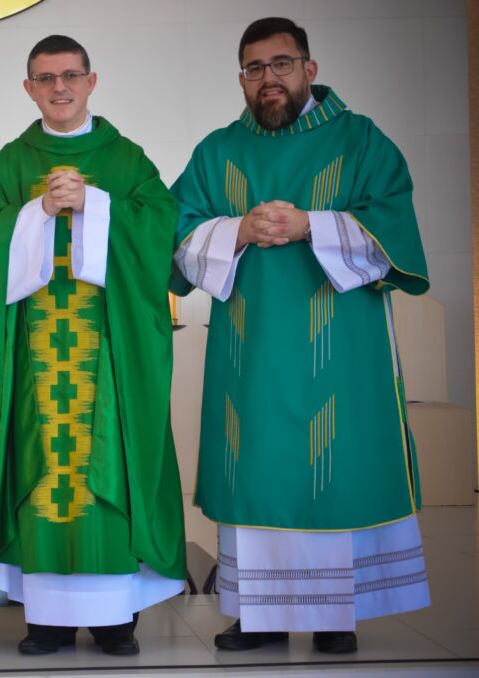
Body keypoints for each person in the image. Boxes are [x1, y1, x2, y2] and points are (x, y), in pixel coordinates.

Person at [170, 17, 431, 655]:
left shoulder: (360, 140)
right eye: (255, 68)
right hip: (250, 350)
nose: (269, 78)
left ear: (309, 69)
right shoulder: (217, 151)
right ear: (241, 78)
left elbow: (393, 222)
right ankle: (258, 615)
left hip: (340, 347)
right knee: (258, 469)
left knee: (333, 467)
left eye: (281, 64)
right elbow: (174, 232)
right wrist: (237, 230)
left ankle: (336, 615)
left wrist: (311, 225)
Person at [0, 35, 187, 657]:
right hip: (34, 354)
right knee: (41, 471)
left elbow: (160, 227)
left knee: (105, 464)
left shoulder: (126, 159)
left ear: (91, 81)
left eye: (69, 75)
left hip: (106, 357)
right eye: (45, 78)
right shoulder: (10, 164)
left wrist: (96, 204)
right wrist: (35, 211)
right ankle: (47, 622)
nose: (58, 87)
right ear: (28, 89)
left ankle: (115, 620)